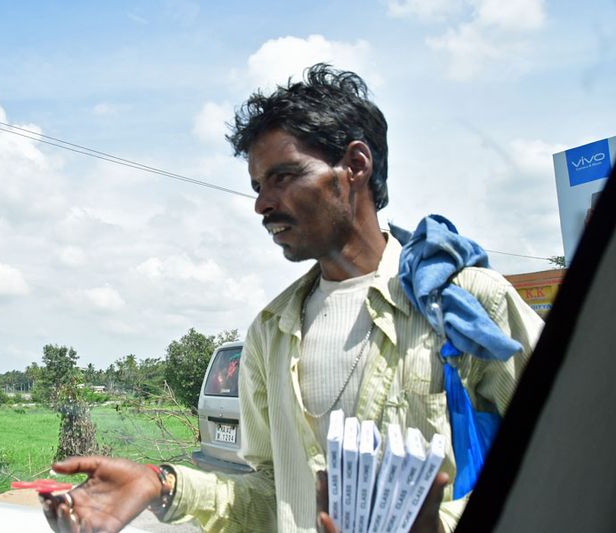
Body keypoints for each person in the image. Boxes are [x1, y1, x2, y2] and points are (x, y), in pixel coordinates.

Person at [42, 64, 543, 533]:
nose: (262, 204)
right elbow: (268, 493)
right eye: (258, 185)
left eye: (283, 176)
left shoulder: (463, 304)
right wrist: (162, 483)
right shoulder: (271, 331)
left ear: (354, 165)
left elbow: (567, 448)